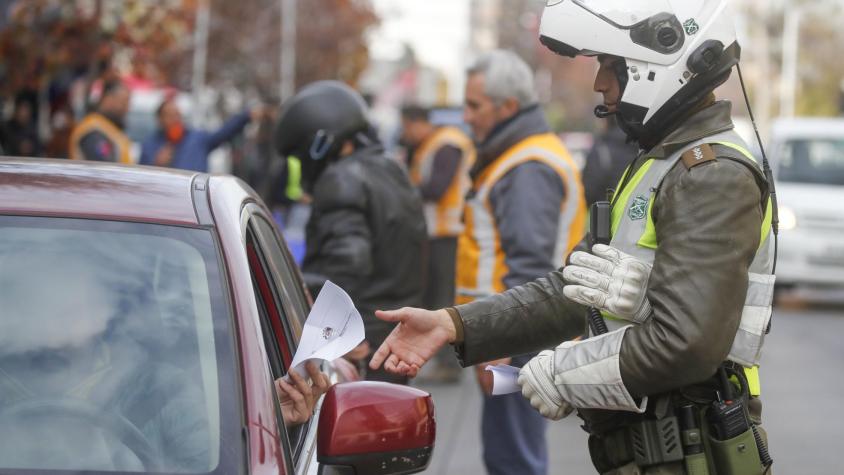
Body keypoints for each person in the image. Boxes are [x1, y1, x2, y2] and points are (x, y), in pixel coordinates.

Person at [370, 2, 776, 474]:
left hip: (692, 450)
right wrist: (453, 324)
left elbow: (687, 343)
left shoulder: (710, 174)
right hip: (652, 450)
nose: (600, 82)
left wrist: (565, 375)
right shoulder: (660, 164)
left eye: (610, 65)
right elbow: (572, 290)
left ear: (658, 64)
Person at [461, 49, 587, 475]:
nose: (465, 116)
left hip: (516, 343)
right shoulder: (522, 157)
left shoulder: (527, 166)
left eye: (474, 105)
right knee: (511, 455)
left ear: (508, 107)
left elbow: (529, 265)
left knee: (512, 459)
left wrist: (500, 346)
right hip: (513, 338)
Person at [274, 80, 427, 385]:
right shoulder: (389, 169)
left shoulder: (341, 179)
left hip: (359, 341)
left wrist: (284, 288)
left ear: (319, 143)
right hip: (393, 333)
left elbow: (346, 265)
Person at [399, 104, 475, 383]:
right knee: (437, 296)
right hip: (438, 233)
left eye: (407, 127)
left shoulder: (447, 144)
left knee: (444, 298)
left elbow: (436, 188)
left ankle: (449, 364)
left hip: (449, 233)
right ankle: (444, 361)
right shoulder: (431, 145)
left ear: (418, 122)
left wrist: (405, 190)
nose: (405, 134)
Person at [139, 95, 264, 172]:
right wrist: (156, 165)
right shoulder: (149, 146)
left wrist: (245, 116)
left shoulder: (197, 139)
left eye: (178, 115)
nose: (175, 119)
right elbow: (141, 179)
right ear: (160, 120)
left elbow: (224, 133)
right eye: (170, 116)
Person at [69, 80, 132, 163]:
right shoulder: (93, 131)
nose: (126, 109)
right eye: (123, 103)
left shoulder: (107, 128)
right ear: (108, 99)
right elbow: (103, 168)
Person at [581, 117, 638, 206]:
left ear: (608, 121)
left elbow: (589, 191)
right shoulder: (641, 148)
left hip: (607, 214)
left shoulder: (601, 150)